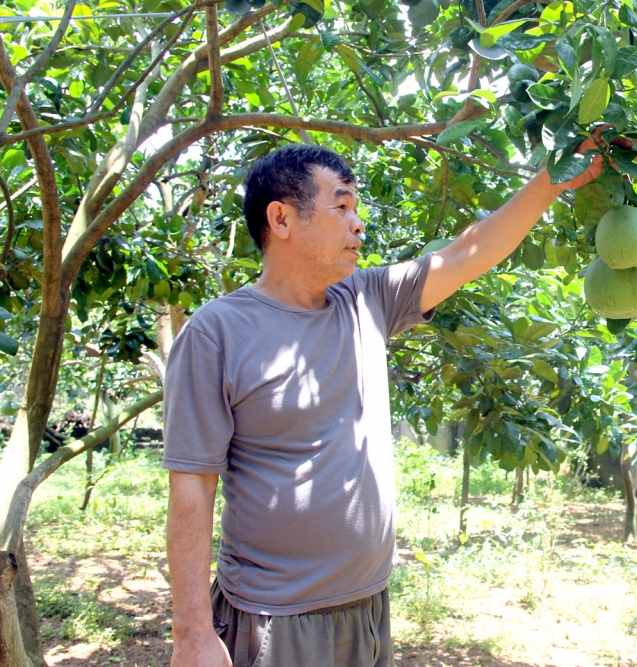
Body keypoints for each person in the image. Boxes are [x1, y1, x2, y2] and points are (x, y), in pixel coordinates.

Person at [163, 138, 604, 667]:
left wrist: (558, 176)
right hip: (277, 620)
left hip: (368, 607)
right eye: (342, 205)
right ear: (281, 218)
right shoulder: (218, 331)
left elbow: (470, 250)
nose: (358, 224)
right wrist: (191, 632)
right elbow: (192, 485)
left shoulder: (366, 301)